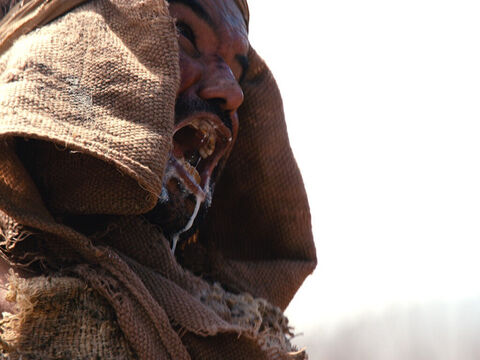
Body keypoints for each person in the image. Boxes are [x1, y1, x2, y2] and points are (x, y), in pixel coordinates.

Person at [0, 0, 317, 359]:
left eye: (236, 70)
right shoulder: (15, 318)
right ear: (60, 51)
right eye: (181, 36)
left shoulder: (240, 331)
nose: (232, 92)